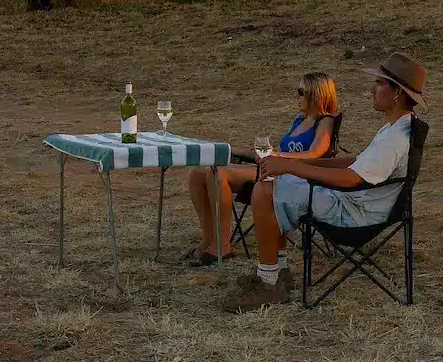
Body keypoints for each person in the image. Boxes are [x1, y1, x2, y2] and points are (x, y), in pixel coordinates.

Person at [224, 53, 423, 311]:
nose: (372, 88)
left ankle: (268, 282)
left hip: (356, 214)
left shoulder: (395, 138)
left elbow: (351, 178)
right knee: (277, 181)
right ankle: (277, 273)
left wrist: (292, 167)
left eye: (379, 83)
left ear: (397, 93)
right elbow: (356, 162)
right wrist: (298, 166)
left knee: (266, 188)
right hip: (361, 203)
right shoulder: (397, 127)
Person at [180, 73, 339, 266]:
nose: (295, 96)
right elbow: (283, 151)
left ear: (317, 94)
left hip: (294, 177)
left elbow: (316, 153)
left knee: (217, 173)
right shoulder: (300, 119)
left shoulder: (325, 121)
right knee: (197, 172)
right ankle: (208, 240)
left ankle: (222, 246)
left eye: (300, 92)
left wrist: (279, 157)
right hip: (275, 168)